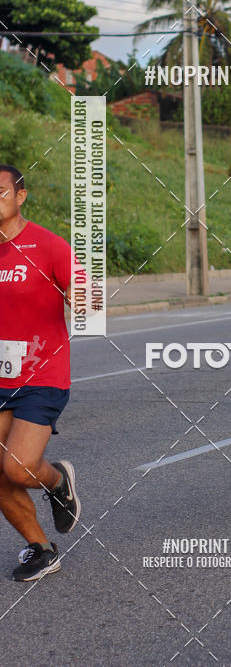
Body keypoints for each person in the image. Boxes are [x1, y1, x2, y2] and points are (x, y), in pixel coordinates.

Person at [0, 165, 80, 581]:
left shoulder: (48, 245)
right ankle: (41, 550)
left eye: (0, 191)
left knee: (17, 467)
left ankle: (57, 481)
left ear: (20, 196)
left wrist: (82, 299)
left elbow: (89, 296)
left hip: (41, 373)